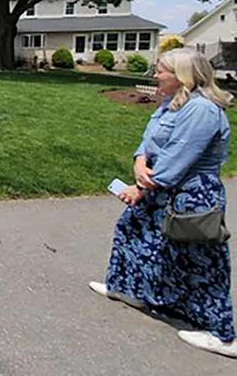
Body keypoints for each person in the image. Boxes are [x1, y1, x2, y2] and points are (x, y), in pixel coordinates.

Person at [90, 48, 236, 358]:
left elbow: (179, 157)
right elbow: (149, 139)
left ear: (182, 76)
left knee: (200, 259)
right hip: (160, 187)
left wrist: (140, 187)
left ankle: (222, 334)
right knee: (133, 231)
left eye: (161, 71)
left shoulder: (202, 111)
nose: (156, 75)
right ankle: (129, 289)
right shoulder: (172, 103)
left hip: (192, 196)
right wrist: (139, 161)